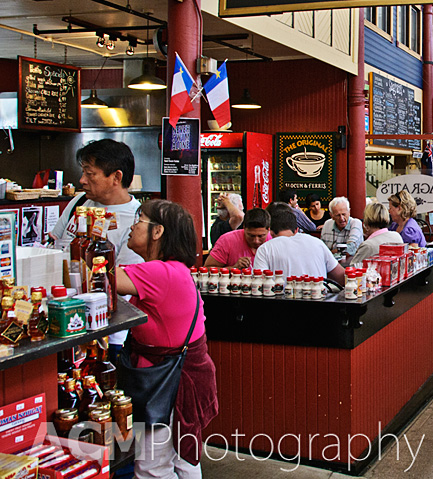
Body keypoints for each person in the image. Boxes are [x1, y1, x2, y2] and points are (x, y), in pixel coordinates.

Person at [115, 199, 217, 478]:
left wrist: (92, 238)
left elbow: (101, 277)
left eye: (140, 219)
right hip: (180, 379)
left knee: (152, 467)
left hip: (166, 384)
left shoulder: (160, 272)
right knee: (183, 461)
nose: (133, 226)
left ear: (158, 231)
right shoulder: (172, 270)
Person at [51, 138, 143, 266]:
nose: (82, 180)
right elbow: (55, 242)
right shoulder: (80, 201)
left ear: (117, 177)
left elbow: (125, 278)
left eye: (89, 174)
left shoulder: (137, 221)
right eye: (83, 172)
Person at [254, 204, 345, 283]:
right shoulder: (317, 243)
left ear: (270, 232)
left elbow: (259, 283)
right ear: (297, 230)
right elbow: (341, 276)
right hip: (319, 300)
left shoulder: (265, 249)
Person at [204, 208, 271, 270]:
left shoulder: (273, 241)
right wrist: (233, 268)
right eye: (251, 236)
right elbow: (207, 269)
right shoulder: (227, 241)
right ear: (244, 228)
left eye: (261, 236)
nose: (256, 241)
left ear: (268, 230)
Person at [320, 197, 364, 266]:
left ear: (349, 212)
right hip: (330, 265)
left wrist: (330, 252)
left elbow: (350, 249)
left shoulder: (355, 223)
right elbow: (321, 249)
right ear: (331, 215)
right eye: (337, 215)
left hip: (351, 266)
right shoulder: (327, 224)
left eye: (344, 214)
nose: (341, 218)